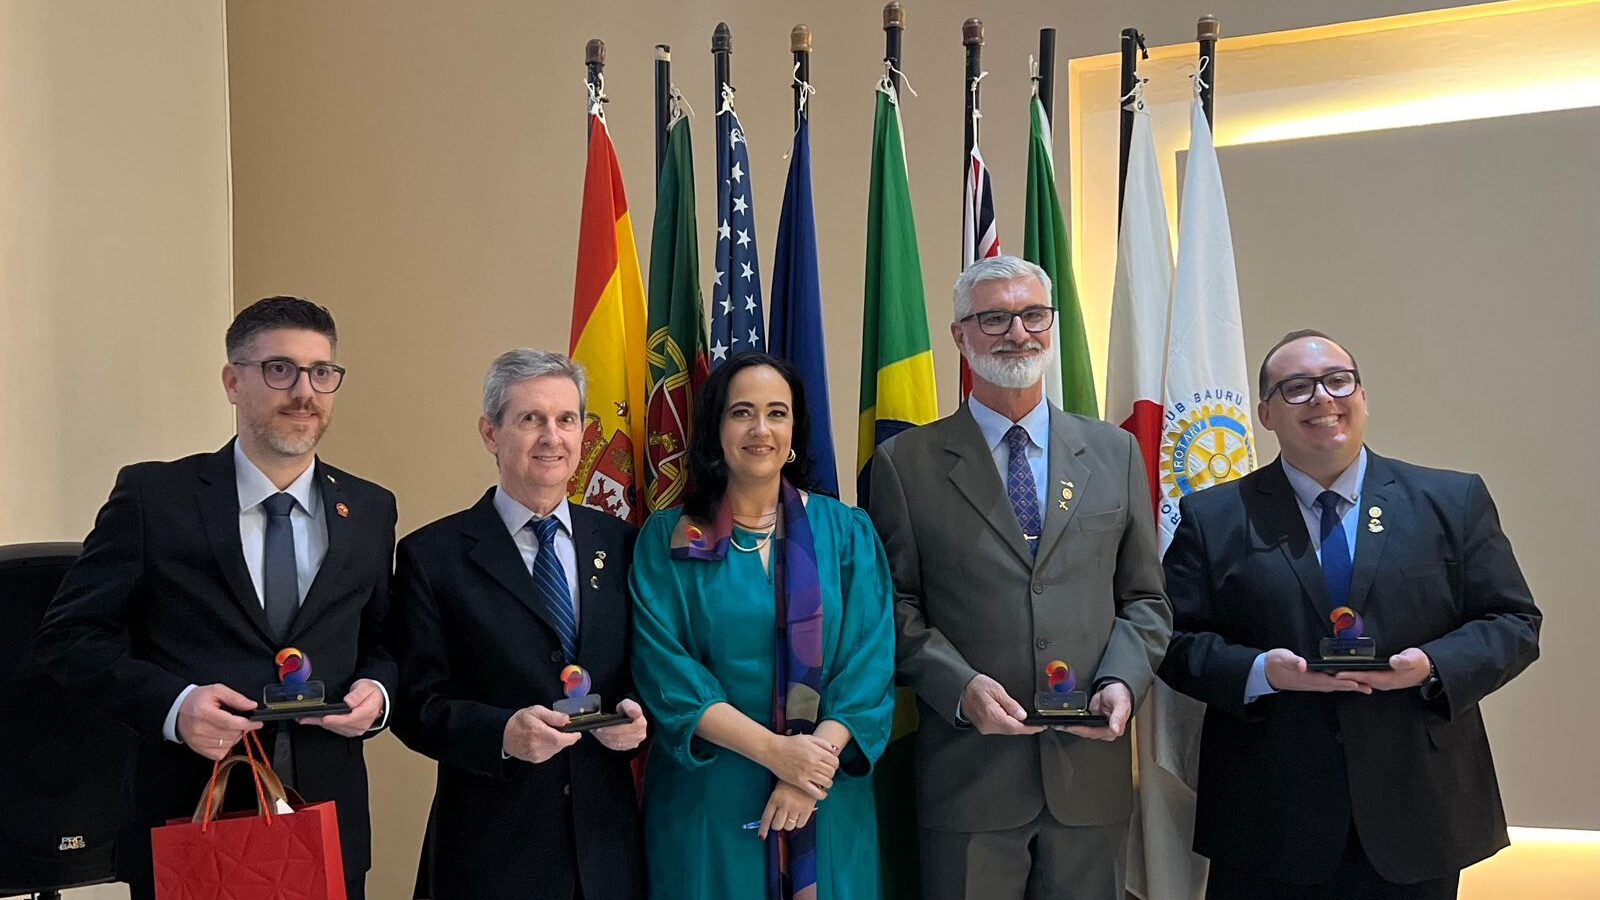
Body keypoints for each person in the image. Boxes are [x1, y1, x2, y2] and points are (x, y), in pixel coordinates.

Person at [1158, 329, 1542, 899]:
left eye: (1339, 381)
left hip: (1416, 810)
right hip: (1269, 813)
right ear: (1264, 412)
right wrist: (1261, 671)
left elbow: (1513, 623)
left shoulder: (1450, 501)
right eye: (1297, 387)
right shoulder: (1214, 516)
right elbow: (1173, 640)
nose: (1322, 398)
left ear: (1362, 396)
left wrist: (1431, 665)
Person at [34, 297, 396, 900]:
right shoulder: (155, 497)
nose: (304, 390)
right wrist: (175, 708)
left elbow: (384, 641)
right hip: (188, 823)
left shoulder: (370, 507)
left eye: (321, 373)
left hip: (325, 828)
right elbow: (68, 639)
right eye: (280, 369)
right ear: (233, 381)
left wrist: (377, 697)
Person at [868, 256, 1170, 900]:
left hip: (1090, 775)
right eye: (994, 317)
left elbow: (1144, 598)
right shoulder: (906, 463)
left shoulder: (1113, 453)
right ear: (959, 335)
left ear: (1052, 326)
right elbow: (894, 606)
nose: (1017, 332)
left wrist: (1122, 681)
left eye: (1034, 315)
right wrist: (960, 687)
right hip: (969, 780)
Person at [630, 352, 895, 900]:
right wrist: (780, 755)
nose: (760, 429)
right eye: (741, 413)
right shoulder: (668, 540)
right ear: (715, 429)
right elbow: (668, 674)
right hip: (711, 797)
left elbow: (869, 664)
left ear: (795, 430)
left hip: (827, 795)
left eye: (777, 413)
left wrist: (808, 769)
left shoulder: (846, 533)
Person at [391, 349, 647, 900]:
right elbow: (415, 706)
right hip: (490, 855)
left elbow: (639, 668)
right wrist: (501, 734)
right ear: (491, 433)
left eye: (567, 419)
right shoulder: (432, 556)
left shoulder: (623, 545)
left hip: (607, 852)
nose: (552, 437)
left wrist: (633, 713)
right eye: (531, 419)